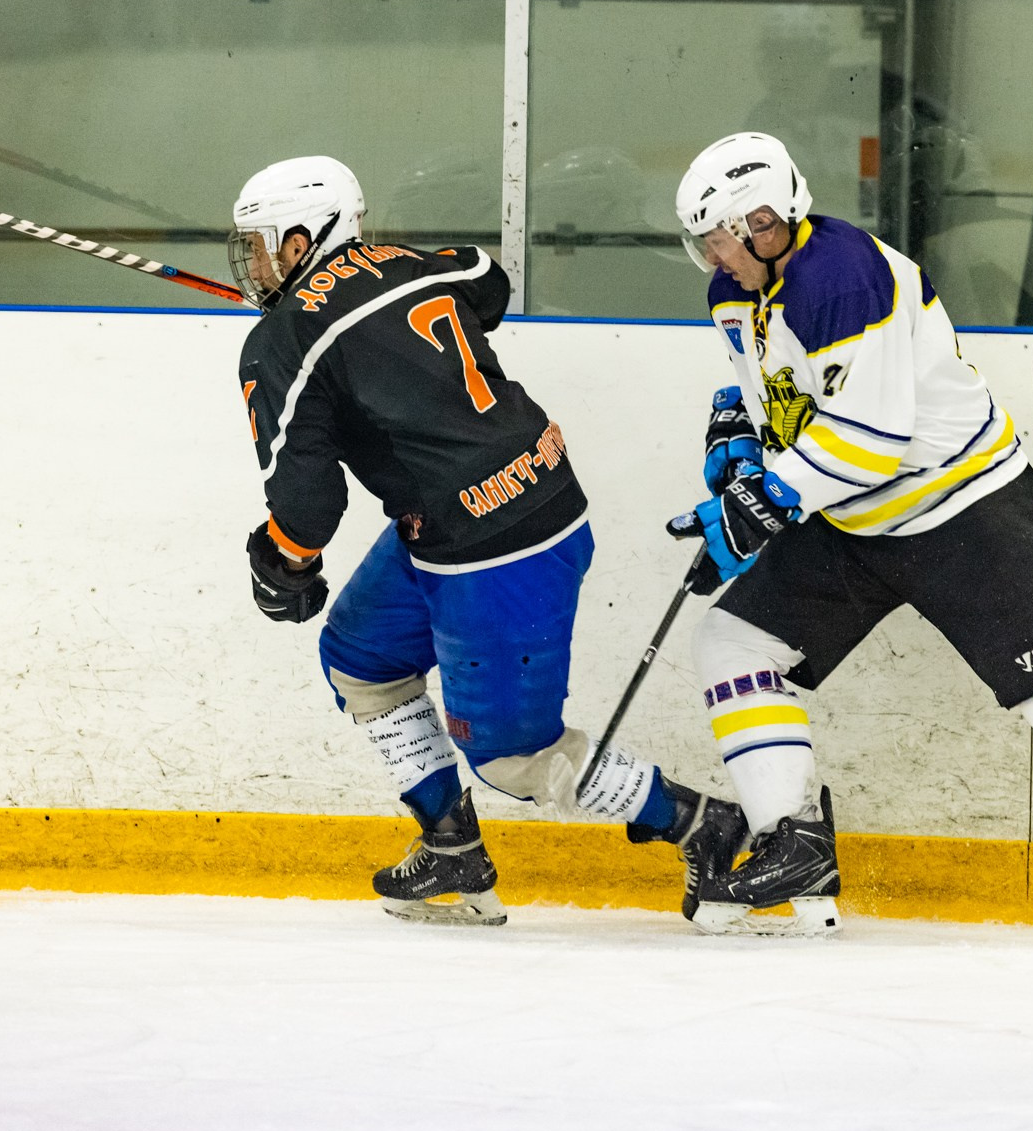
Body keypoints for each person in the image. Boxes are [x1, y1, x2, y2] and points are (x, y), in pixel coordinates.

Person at [661, 131, 1033, 938]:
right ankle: (794, 842)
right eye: (706, 244)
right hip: (852, 520)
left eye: (724, 237)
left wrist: (763, 502)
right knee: (732, 643)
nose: (716, 257)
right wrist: (737, 428)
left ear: (769, 220)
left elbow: (872, 437)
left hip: (964, 510)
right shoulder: (736, 287)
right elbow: (783, 387)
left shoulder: (843, 275)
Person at [229, 155, 743, 925]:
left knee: (514, 757)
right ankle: (449, 843)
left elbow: (307, 506)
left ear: (306, 239)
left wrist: (282, 561)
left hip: (495, 552)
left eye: (266, 246)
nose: (258, 265)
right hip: (513, 499)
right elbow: (487, 279)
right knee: (361, 658)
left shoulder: (280, 346)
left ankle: (703, 824)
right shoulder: (414, 264)